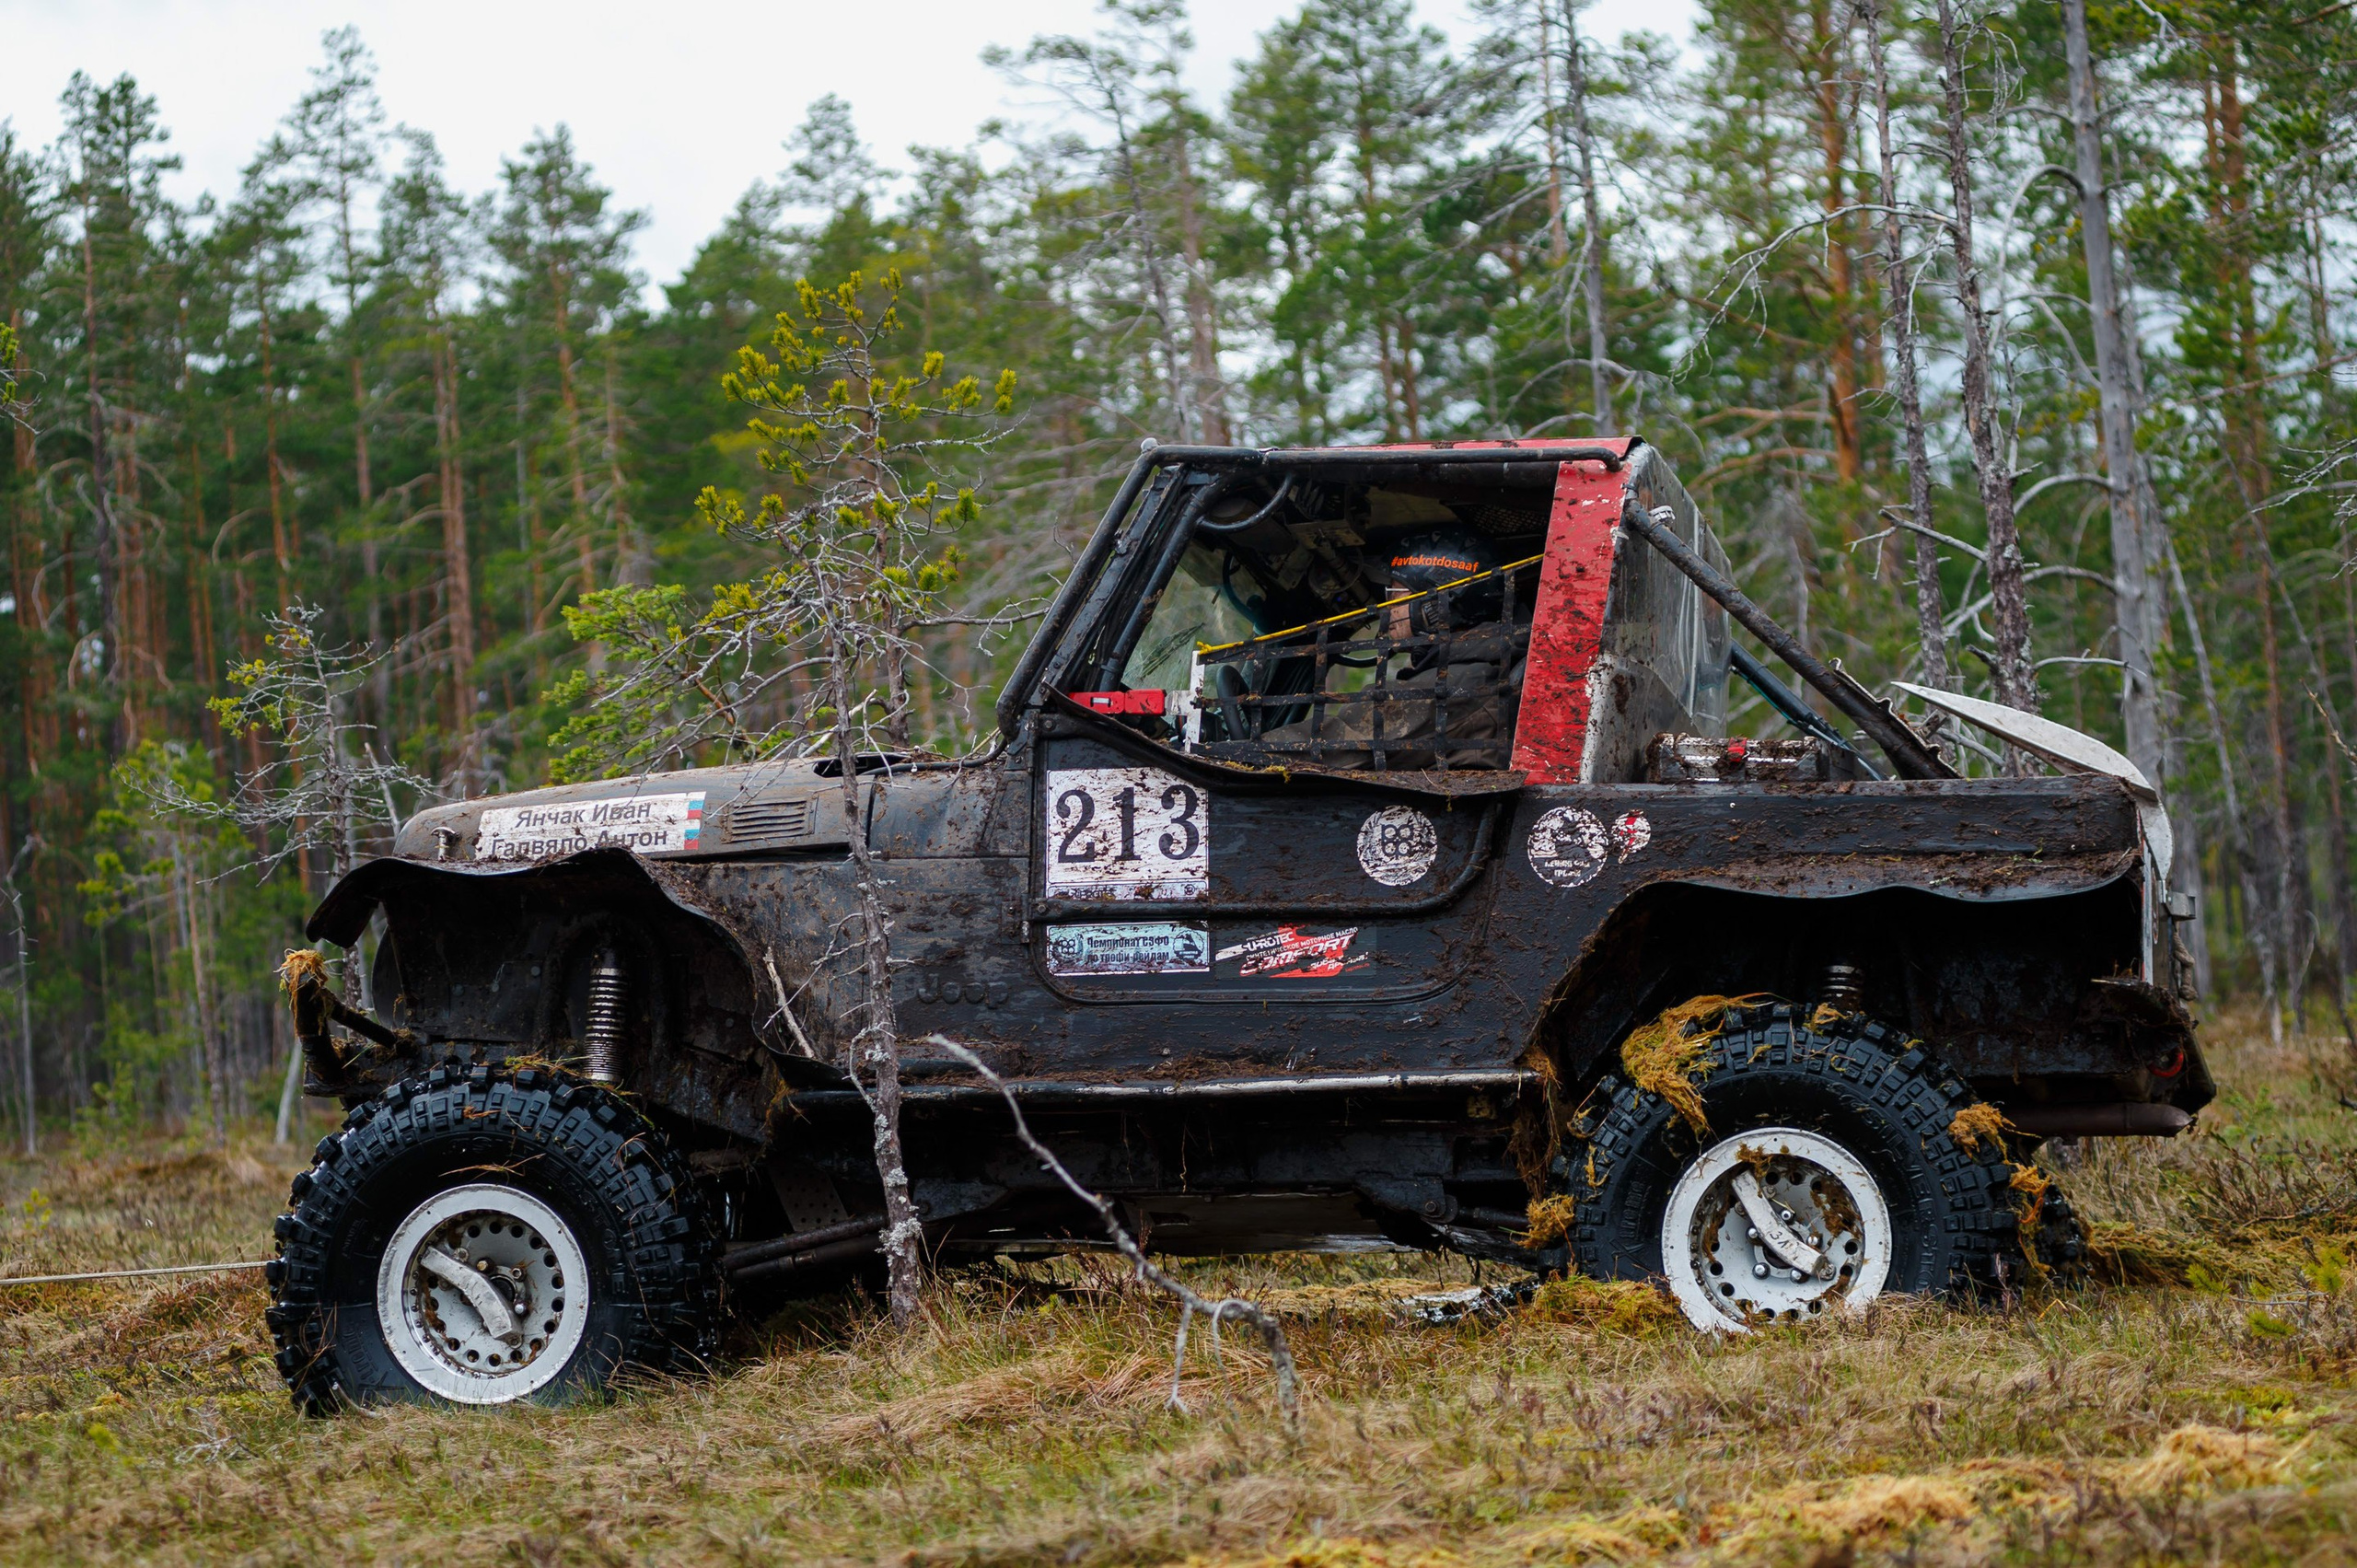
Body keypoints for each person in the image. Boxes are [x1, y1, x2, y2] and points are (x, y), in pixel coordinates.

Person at [1253, 528, 1525, 770]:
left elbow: (1340, 742)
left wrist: (1231, 756)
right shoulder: (1472, 673)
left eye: (1395, 595)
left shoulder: (1458, 684)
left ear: (1437, 604)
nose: (1388, 610)